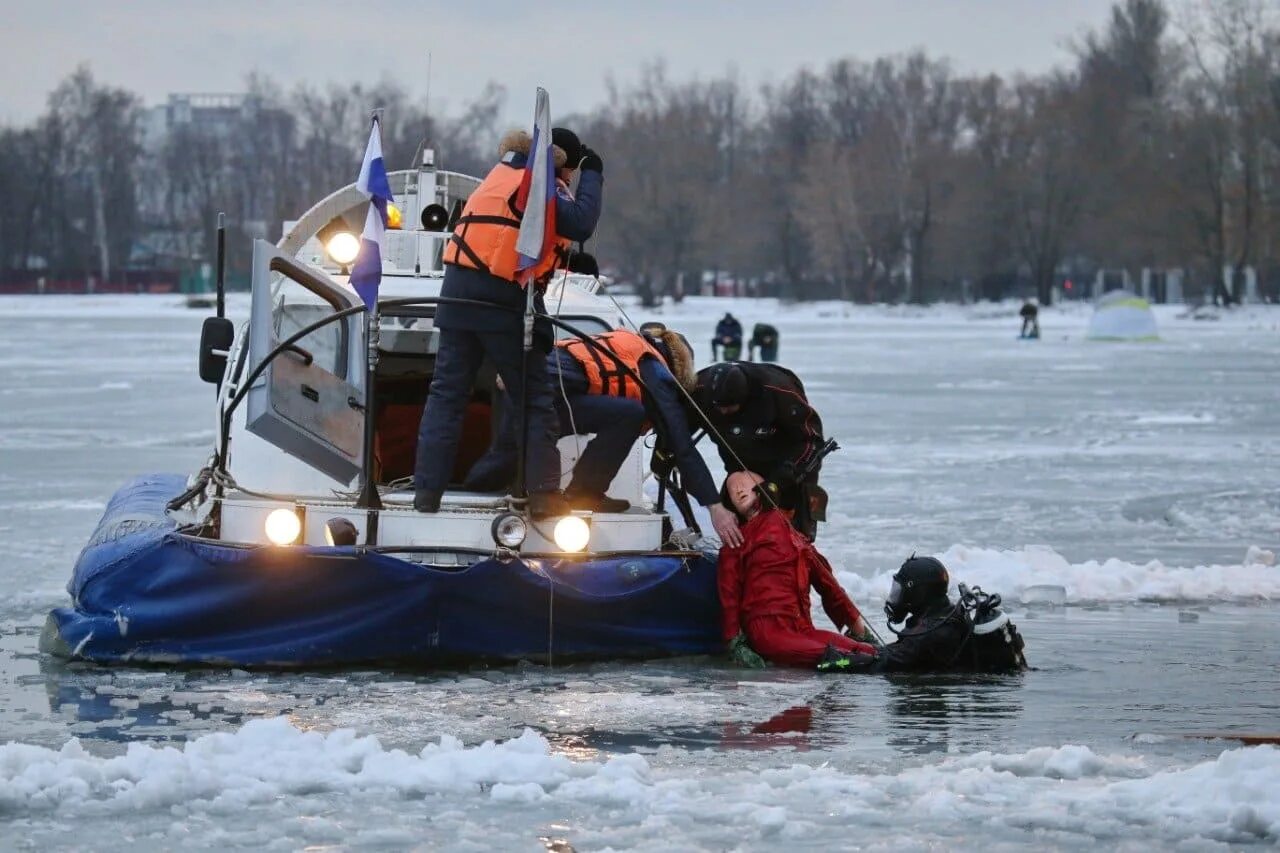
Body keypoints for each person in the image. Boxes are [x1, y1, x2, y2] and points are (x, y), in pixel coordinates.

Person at [413, 127, 603, 518]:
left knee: (446, 396)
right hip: (501, 302)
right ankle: (545, 499)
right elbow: (580, 223)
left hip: (454, 296)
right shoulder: (538, 184)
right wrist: (595, 173)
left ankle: (426, 494)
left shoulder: (497, 178)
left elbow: (510, 233)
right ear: (561, 165)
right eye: (569, 170)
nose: (568, 180)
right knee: (534, 400)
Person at [463, 328, 745, 546]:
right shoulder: (655, 371)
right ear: (677, 364)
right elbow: (682, 446)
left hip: (524, 383)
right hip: (539, 388)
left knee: (500, 461)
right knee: (630, 414)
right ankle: (584, 493)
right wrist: (715, 505)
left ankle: (467, 492)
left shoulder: (625, 345)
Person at [719, 471, 877, 669]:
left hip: (802, 627)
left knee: (869, 652)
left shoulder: (796, 537)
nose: (739, 489)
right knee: (842, 659)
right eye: (732, 489)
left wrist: (860, 630)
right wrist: (734, 642)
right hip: (769, 632)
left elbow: (829, 585)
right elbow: (729, 595)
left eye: (745, 483)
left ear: (764, 488)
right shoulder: (737, 541)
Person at [817, 555, 1028, 674]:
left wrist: (838, 661)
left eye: (900, 591)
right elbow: (899, 653)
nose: (895, 598)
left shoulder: (932, 633)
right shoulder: (946, 615)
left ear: (918, 593)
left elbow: (884, 663)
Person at [695, 361, 825, 540]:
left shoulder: (780, 392)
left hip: (791, 465)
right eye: (719, 408)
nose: (723, 412)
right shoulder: (699, 389)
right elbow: (676, 429)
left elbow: (812, 443)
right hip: (742, 464)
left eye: (729, 407)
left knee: (795, 534)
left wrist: (778, 482)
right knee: (742, 533)